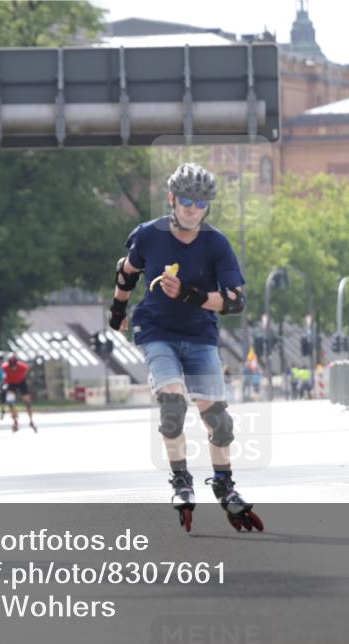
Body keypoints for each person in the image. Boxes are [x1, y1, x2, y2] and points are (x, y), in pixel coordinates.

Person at [108, 162, 262, 533]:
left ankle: (224, 485)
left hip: (199, 335)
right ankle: (181, 481)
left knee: (219, 421)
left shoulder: (216, 243)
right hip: (156, 329)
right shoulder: (149, 236)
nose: (193, 208)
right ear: (172, 198)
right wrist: (117, 309)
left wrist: (192, 295)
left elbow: (235, 301)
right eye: (187, 200)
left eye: (201, 202)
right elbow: (126, 271)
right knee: (173, 404)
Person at [2, 353, 37, 433]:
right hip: (11, 383)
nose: (13, 368)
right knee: (10, 402)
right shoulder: (5, 367)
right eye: (12, 366)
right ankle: (15, 421)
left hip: (21, 382)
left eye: (15, 366)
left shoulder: (22, 366)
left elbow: (28, 370)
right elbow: (2, 374)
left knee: (27, 402)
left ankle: (31, 420)